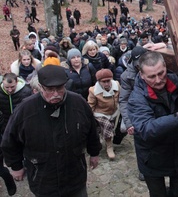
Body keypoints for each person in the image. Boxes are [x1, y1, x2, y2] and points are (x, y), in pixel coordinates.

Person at [1, 65, 102, 196]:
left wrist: (94, 153)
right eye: (50, 89)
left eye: (59, 88)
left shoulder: (78, 103)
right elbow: (9, 140)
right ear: (40, 87)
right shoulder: (25, 110)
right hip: (43, 178)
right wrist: (16, 166)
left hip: (74, 176)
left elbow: (92, 131)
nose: (55, 94)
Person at [128, 51, 178, 197]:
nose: (159, 79)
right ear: (141, 74)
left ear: (166, 67)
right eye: (152, 76)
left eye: (161, 73)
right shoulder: (136, 99)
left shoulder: (177, 81)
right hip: (152, 158)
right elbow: (146, 129)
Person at [0, 73, 31, 196]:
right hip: (5, 127)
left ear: (17, 82)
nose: (9, 90)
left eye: (12, 87)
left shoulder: (26, 92)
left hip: (22, 127)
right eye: (7, 87)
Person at [119, 46, 147, 181]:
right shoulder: (126, 76)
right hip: (137, 113)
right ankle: (143, 170)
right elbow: (123, 100)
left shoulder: (153, 67)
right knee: (141, 144)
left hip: (154, 109)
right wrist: (129, 122)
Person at [88, 69, 120, 160]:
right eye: (104, 81)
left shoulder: (117, 85)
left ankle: (109, 137)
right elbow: (91, 105)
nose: (106, 83)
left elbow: (121, 97)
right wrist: (89, 119)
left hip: (114, 111)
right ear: (99, 82)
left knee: (118, 127)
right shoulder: (93, 91)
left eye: (108, 81)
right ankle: (109, 147)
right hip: (100, 113)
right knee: (107, 126)